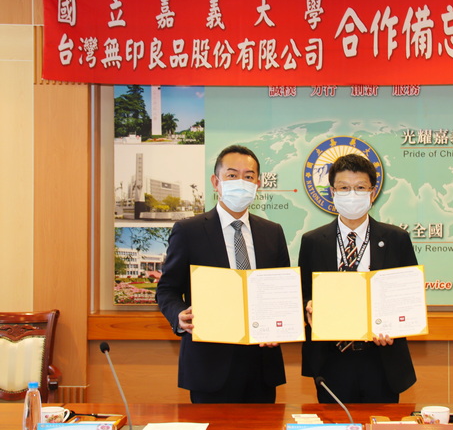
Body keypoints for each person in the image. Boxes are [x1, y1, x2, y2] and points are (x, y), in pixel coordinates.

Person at [157, 145, 289, 403]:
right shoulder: (188, 231)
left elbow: (282, 292)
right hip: (209, 365)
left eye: (248, 176)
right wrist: (179, 315)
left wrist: (281, 326)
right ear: (216, 182)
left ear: (258, 184)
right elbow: (167, 289)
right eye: (232, 175)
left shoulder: (272, 232)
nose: (241, 181)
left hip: (261, 365)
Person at [299, 153, 417, 403]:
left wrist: (395, 325)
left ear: (372, 193)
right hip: (332, 360)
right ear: (332, 192)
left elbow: (409, 296)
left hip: (382, 358)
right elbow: (303, 292)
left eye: (360, 187)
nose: (352, 194)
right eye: (344, 188)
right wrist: (308, 306)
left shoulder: (397, 240)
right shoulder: (312, 242)